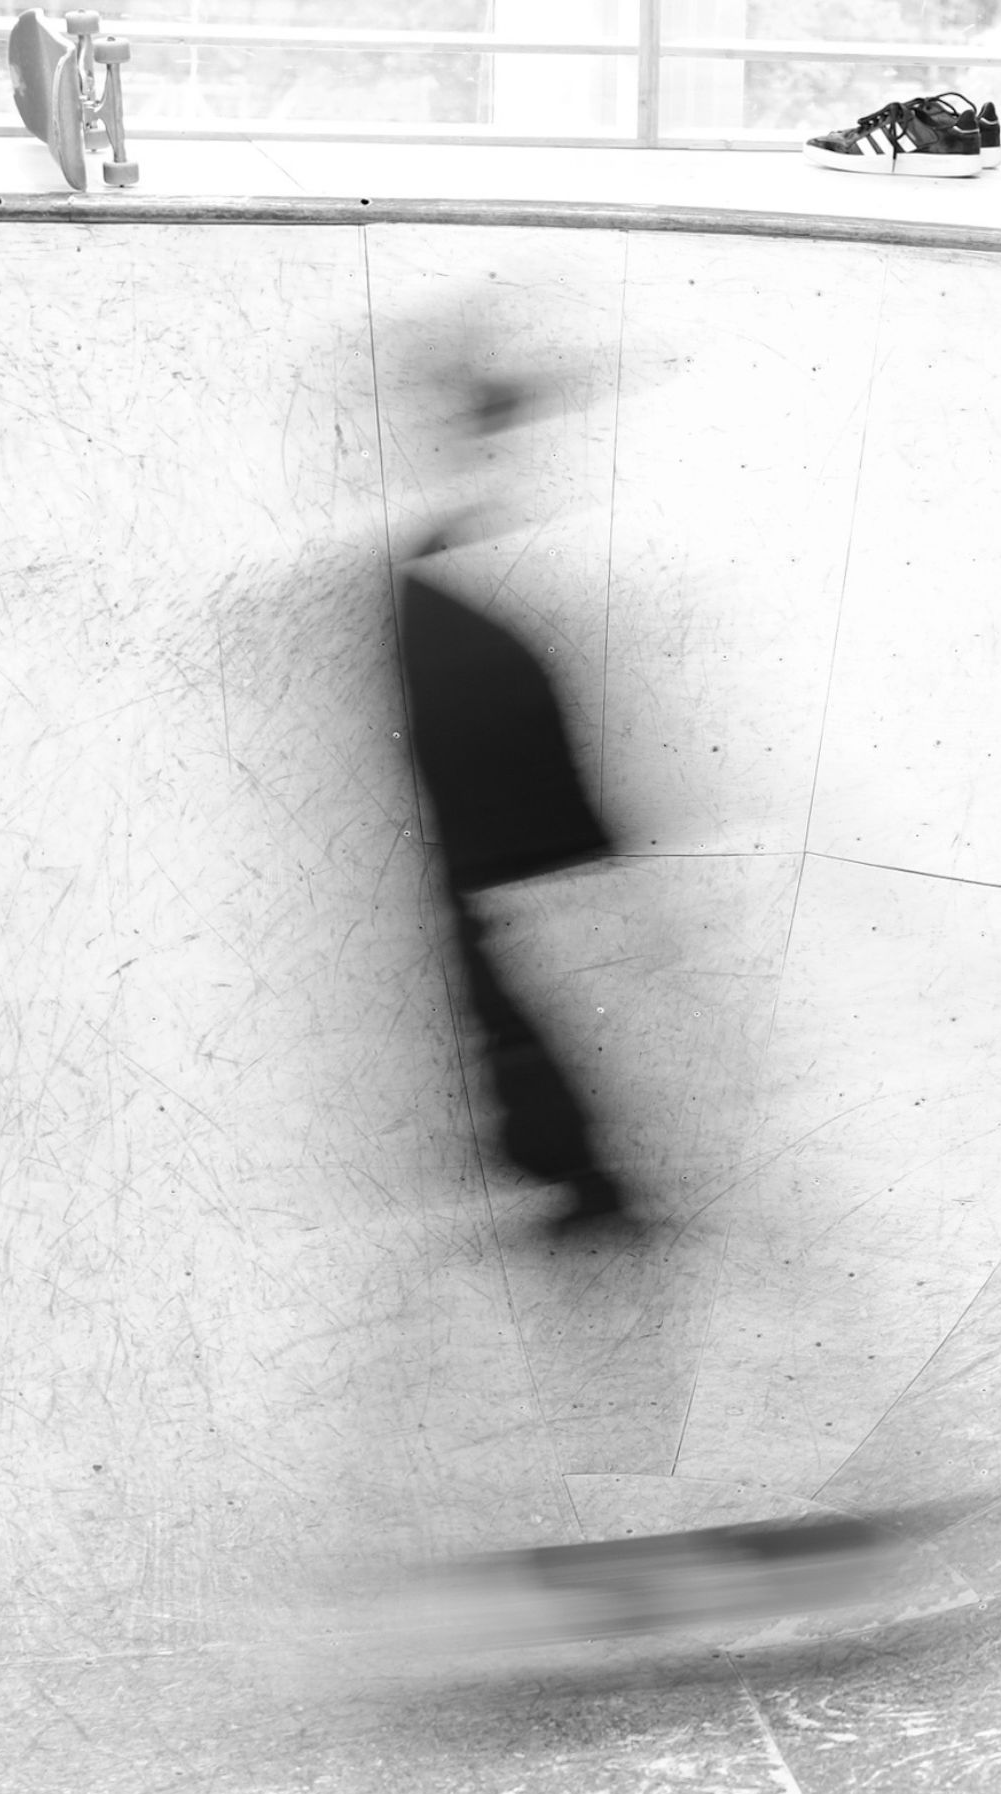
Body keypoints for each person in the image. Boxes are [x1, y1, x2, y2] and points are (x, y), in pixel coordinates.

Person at [396, 378, 629, 1233]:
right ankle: (576, 1167)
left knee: (518, 997)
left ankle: (579, 1169)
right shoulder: (444, 559)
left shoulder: (439, 567)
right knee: (522, 997)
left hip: (492, 837)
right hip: (506, 832)